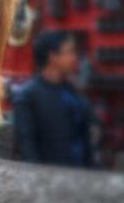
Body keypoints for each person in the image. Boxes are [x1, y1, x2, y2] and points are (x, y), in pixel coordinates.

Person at [13, 30, 98, 168]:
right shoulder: (27, 96)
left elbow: (90, 128)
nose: (74, 57)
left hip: (82, 177)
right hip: (51, 179)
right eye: (69, 52)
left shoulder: (71, 90)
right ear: (52, 57)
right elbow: (27, 149)